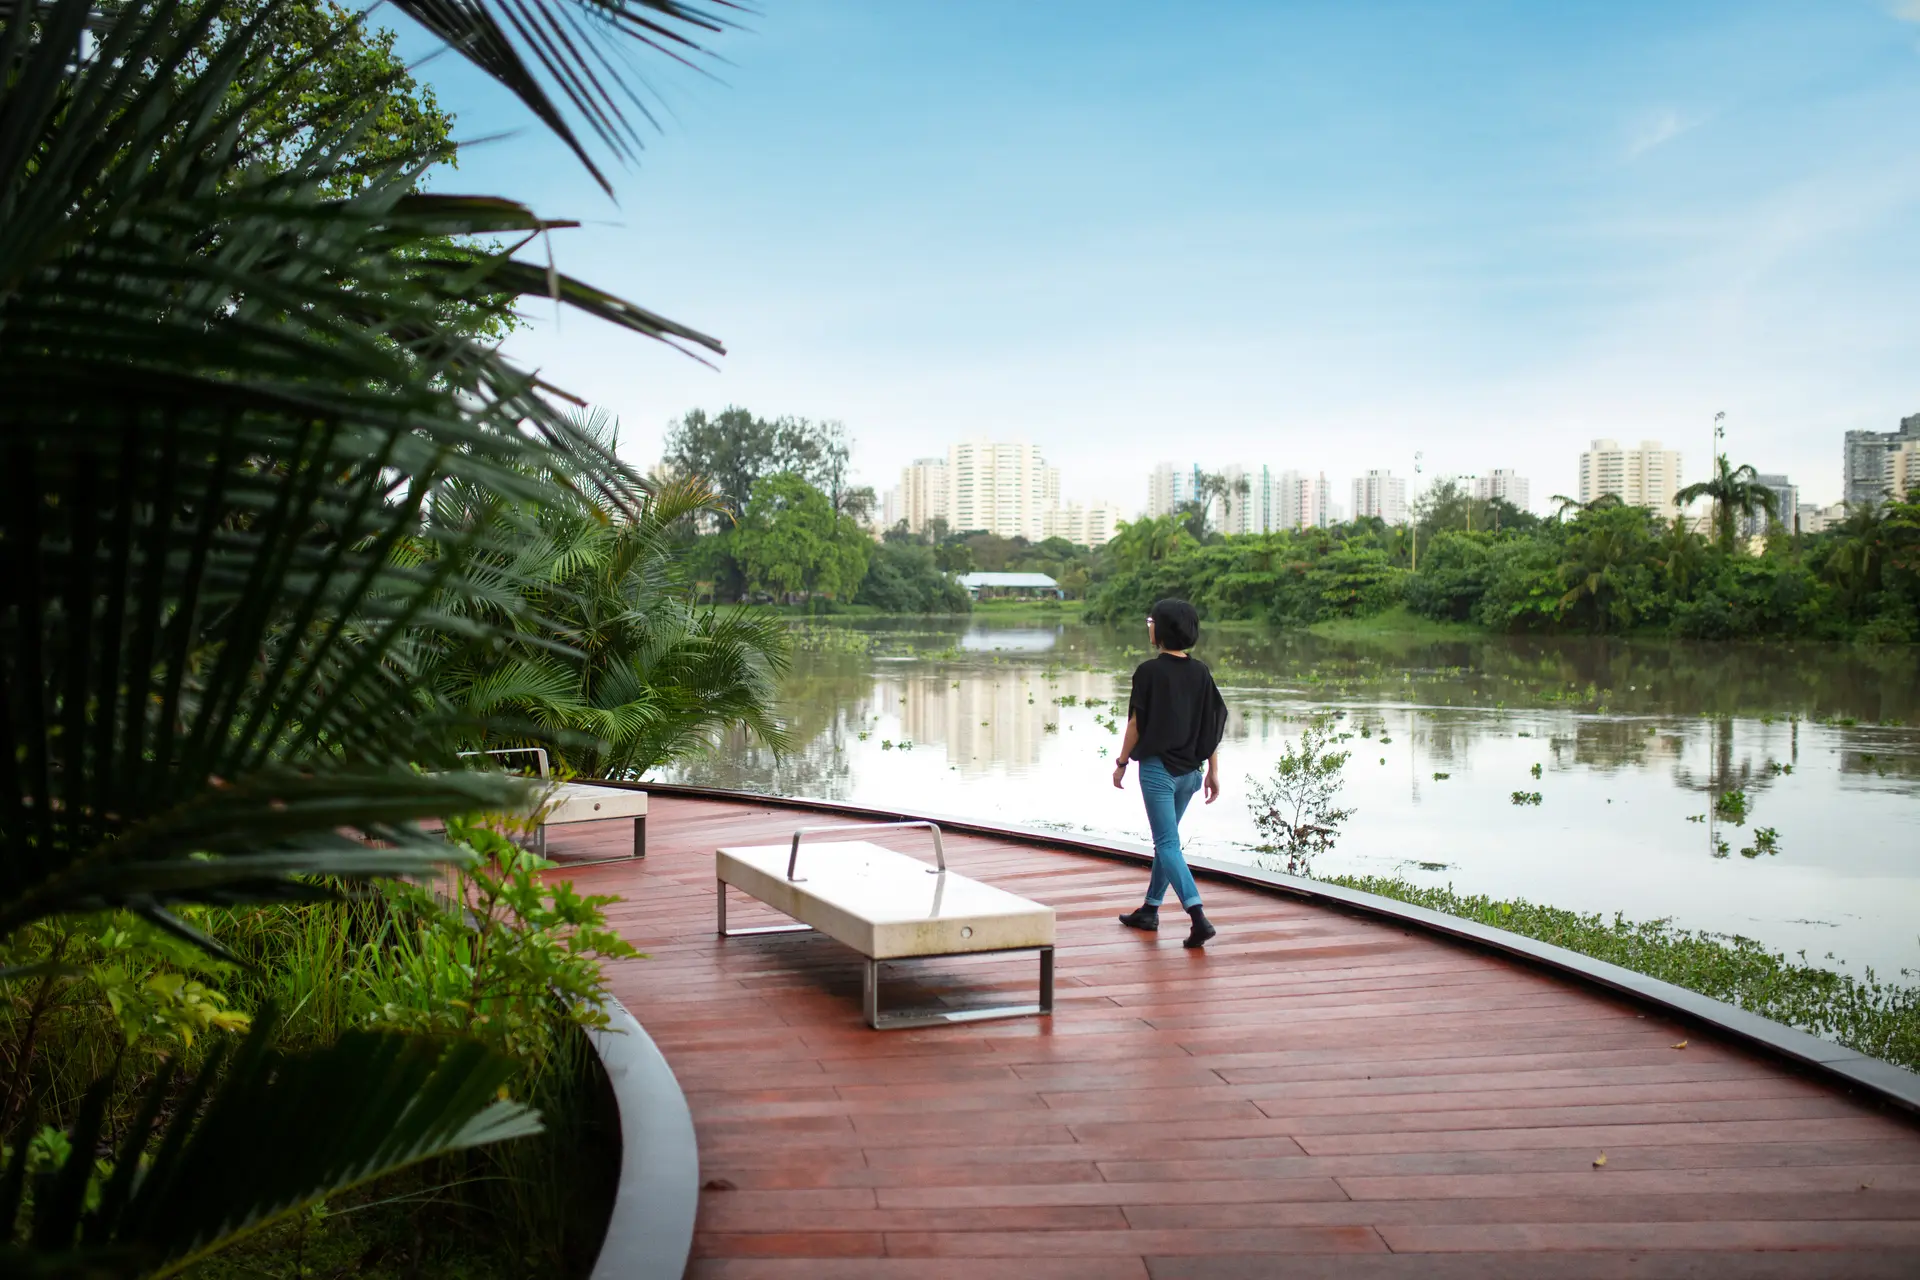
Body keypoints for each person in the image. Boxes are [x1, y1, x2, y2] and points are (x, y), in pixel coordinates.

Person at [1111, 597, 1228, 948]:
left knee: (1166, 843)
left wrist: (1121, 763)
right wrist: (1213, 771)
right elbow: (1211, 725)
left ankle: (1198, 916)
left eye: (1151, 621)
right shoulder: (1201, 672)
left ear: (1161, 630)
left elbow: (1136, 724)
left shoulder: (1148, 672)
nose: (1148, 626)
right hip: (1191, 774)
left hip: (1159, 772)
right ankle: (1149, 909)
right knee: (1168, 843)